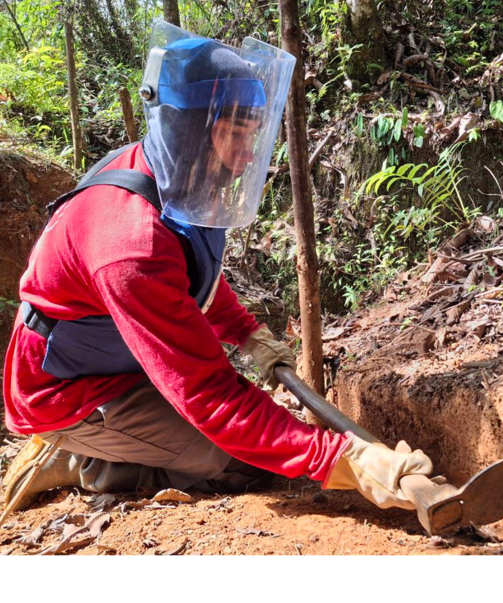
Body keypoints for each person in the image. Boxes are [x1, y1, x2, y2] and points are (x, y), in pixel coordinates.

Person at [2, 23, 432, 514]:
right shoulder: (128, 241)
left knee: (254, 441)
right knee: (234, 460)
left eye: (252, 133)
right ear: (187, 131)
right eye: (233, 133)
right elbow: (207, 393)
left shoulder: (172, 178)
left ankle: (114, 442)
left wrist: (248, 334)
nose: (249, 155)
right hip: (62, 392)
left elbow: (188, 274)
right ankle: (84, 459)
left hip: (120, 364)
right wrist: (345, 458)